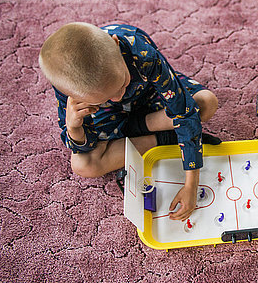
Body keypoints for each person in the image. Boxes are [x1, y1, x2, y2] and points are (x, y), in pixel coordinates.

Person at [39, 22, 219, 222]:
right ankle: (165, 137)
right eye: (106, 97)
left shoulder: (141, 53)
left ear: (115, 44)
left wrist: (191, 186)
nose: (118, 97)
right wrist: (74, 126)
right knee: (84, 164)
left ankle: (143, 130)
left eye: (123, 83)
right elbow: (83, 146)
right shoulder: (69, 86)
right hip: (112, 117)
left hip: (149, 97)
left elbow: (184, 112)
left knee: (206, 103)